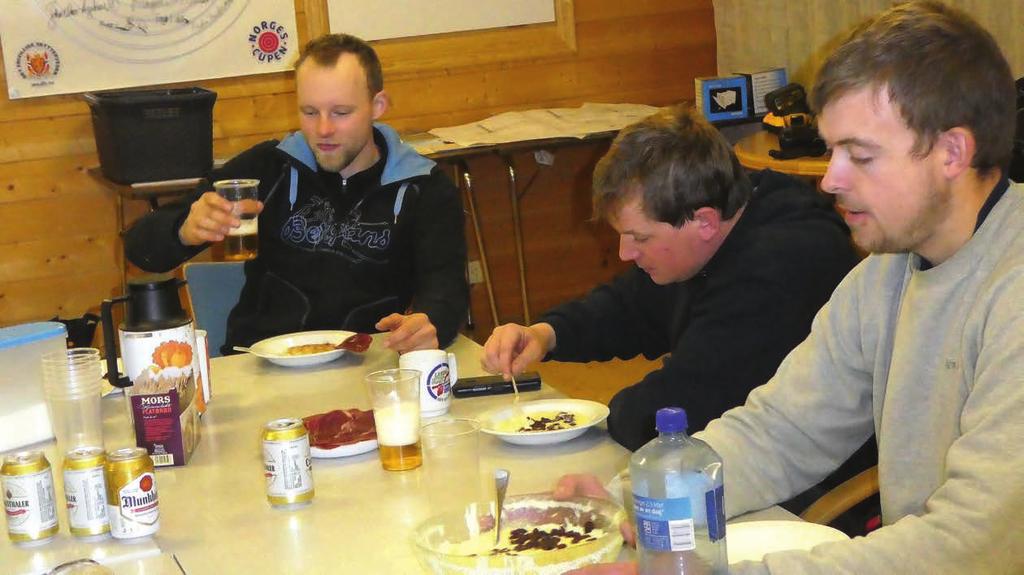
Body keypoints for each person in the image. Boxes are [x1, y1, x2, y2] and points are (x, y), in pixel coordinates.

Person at [560, 2, 1024, 573]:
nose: (831, 178)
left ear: (952, 152)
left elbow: (973, 543)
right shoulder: (883, 276)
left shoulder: (1012, 290)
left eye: (861, 155)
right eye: (832, 151)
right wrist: (636, 494)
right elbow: (785, 429)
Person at [483, 106, 860, 451]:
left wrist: (580, 428)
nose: (624, 254)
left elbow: (681, 405)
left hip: (811, 492)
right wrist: (546, 334)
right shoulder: (720, 218)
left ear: (705, 221)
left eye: (640, 238)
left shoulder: (781, 267)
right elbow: (632, 306)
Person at [125, 34, 468, 354]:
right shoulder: (268, 167)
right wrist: (183, 230)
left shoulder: (424, 188)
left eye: (341, 113)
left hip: (365, 366)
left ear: (377, 106)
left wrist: (429, 322)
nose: (323, 129)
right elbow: (142, 250)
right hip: (259, 366)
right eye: (309, 112)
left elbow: (447, 293)